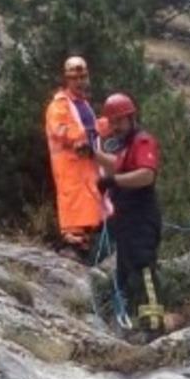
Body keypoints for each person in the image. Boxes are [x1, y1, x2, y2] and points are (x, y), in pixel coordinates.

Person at [95, 91, 166, 338]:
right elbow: (116, 164)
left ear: (130, 117)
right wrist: (92, 155)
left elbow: (146, 174)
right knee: (125, 271)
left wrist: (114, 181)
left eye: (118, 121)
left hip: (141, 216)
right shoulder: (125, 146)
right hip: (125, 218)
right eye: (111, 122)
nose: (114, 127)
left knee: (143, 265)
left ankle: (154, 324)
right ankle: (133, 322)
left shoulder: (142, 141)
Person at [45, 55, 107, 258]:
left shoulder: (83, 105)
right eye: (75, 78)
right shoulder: (59, 105)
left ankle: (85, 243)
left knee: (89, 204)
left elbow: (92, 128)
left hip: (86, 164)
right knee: (73, 203)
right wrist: (79, 138)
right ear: (67, 79)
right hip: (69, 165)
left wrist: (107, 125)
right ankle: (72, 241)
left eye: (83, 77)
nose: (80, 82)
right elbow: (60, 129)